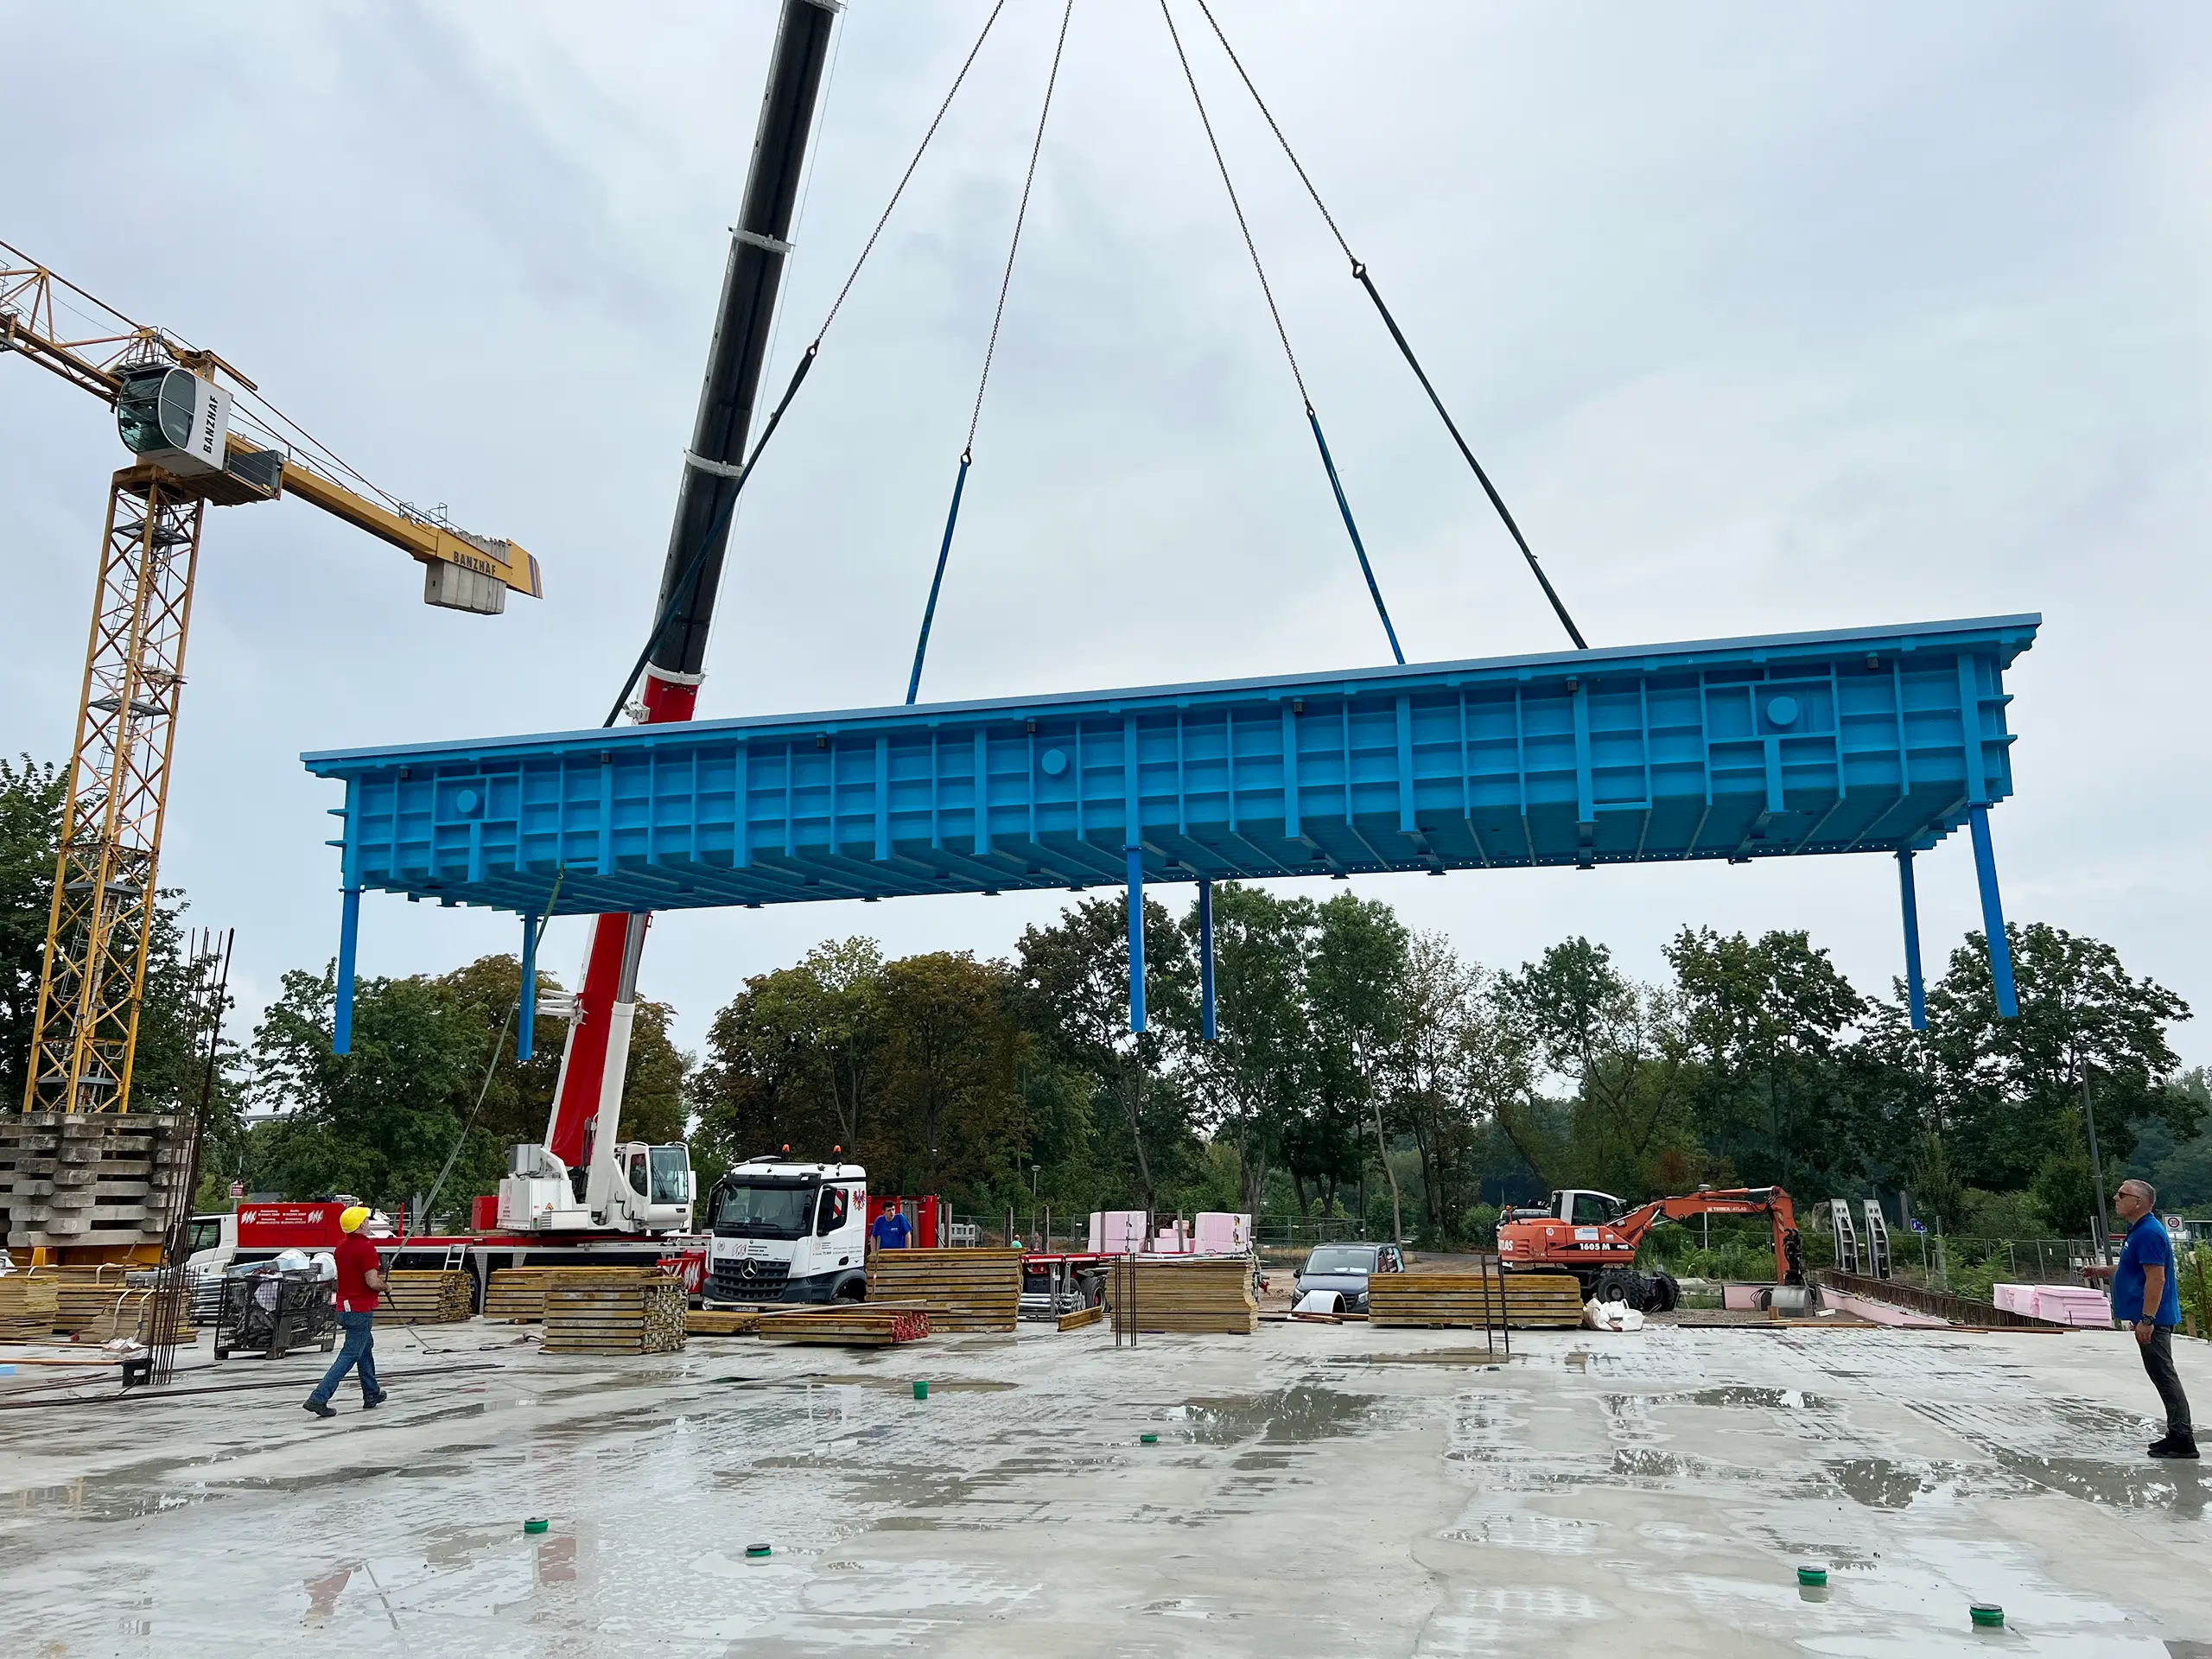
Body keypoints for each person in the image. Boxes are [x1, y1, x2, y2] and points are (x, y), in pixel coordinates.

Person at [2112, 1179, 2195, 1459]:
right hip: (2149, 1317)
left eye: (2122, 1194)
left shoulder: (2148, 1233)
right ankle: (2177, 1433)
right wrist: (2103, 1271)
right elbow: (2132, 1269)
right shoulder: (2137, 1231)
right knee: (2160, 1373)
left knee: (2164, 1374)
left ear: (2138, 1202)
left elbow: (2156, 1279)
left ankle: (2182, 1438)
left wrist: (2148, 1319)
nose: (2116, 1198)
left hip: (2154, 1319)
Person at [304, 1206, 387, 1419]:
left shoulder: (341, 1247)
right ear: (361, 1225)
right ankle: (319, 1397)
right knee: (350, 1354)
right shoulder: (366, 1248)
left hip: (344, 1307)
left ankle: (372, 1393)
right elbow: (371, 1282)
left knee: (365, 1347)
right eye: (366, 1220)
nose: (368, 1222)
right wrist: (386, 1286)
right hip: (360, 1309)